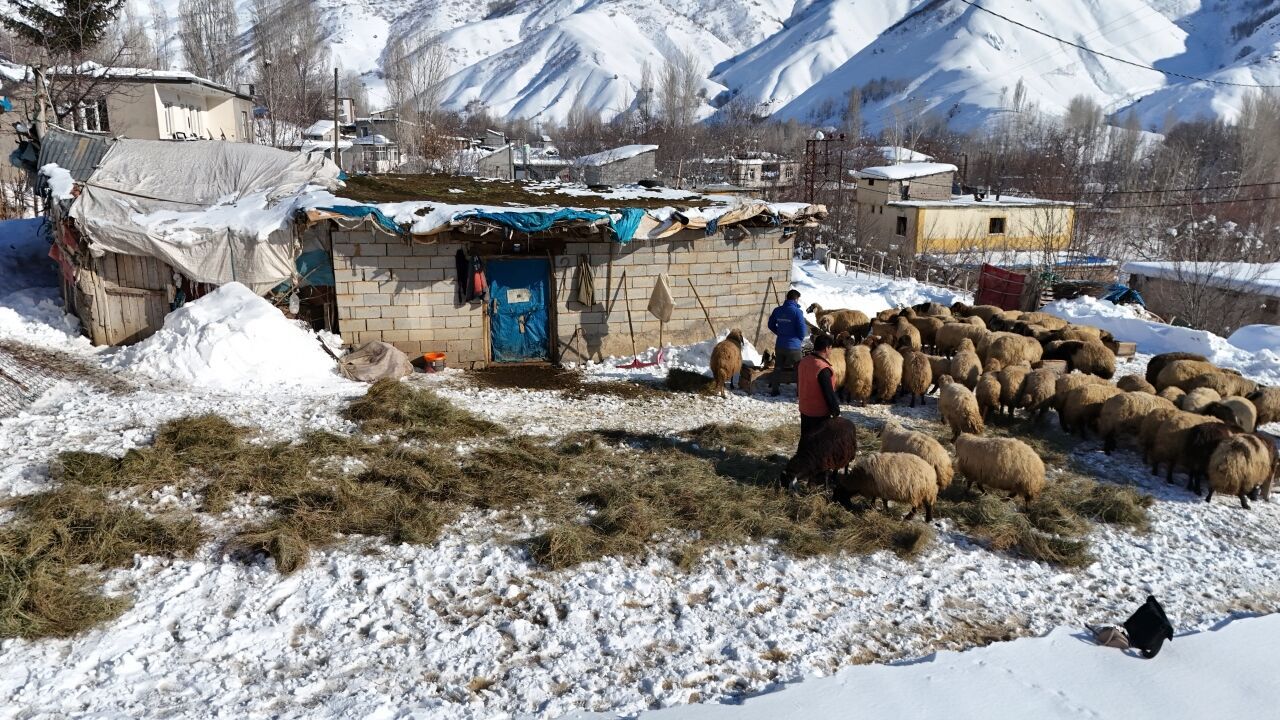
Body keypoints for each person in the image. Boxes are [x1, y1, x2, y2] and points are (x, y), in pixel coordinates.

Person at [796, 334, 841, 437]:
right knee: (818, 443)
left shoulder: (804, 361)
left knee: (806, 437)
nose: (831, 351)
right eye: (830, 348)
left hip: (805, 408)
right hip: (818, 413)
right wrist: (836, 411)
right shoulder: (823, 368)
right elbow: (828, 393)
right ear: (826, 348)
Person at [767, 289, 807, 395]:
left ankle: (774, 390)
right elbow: (803, 331)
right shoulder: (797, 312)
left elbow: (770, 325)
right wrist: (799, 339)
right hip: (794, 347)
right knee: (799, 369)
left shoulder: (777, 310)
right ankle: (799, 392)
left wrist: (779, 333)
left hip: (780, 345)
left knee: (778, 368)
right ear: (795, 299)